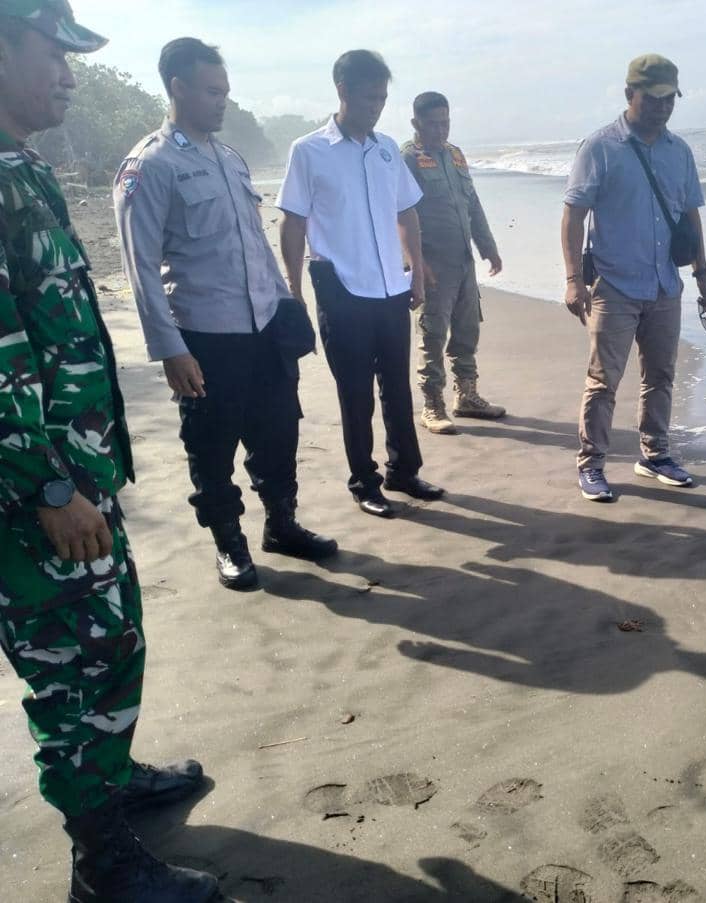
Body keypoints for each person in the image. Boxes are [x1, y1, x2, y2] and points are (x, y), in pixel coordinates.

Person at [0, 3, 218, 900]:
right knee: (73, 657)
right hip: (37, 492)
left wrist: (81, 471)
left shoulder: (22, 168)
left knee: (111, 634)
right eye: (55, 52)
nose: (71, 73)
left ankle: (111, 775)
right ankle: (102, 861)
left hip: (74, 473)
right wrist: (47, 483)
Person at [115, 38, 337, 590]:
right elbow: (139, 266)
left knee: (279, 432)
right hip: (205, 337)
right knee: (211, 447)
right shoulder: (150, 165)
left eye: (226, 91)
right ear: (178, 88)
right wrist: (170, 349)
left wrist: (287, 302)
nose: (222, 102)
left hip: (263, 330)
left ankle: (281, 526)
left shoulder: (228, 158)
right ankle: (230, 546)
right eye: (213, 92)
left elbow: (254, 245)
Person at [278, 50, 443, 518]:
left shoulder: (387, 149)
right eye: (370, 97)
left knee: (397, 386)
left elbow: (405, 210)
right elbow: (293, 223)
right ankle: (364, 482)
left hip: (391, 285)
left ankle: (404, 471)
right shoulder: (309, 151)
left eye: (383, 98)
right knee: (355, 392)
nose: (377, 106)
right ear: (343, 91)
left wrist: (416, 268)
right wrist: (294, 291)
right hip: (341, 288)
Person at [561, 54, 706, 502]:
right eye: (654, 98)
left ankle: (655, 455)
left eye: (671, 99)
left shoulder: (679, 151)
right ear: (630, 94)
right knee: (603, 380)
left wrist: (703, 274)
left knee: (662, 376)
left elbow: (690, 218)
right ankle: (590, 464)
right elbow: (573, 215)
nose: (663, 107)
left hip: (665, 286)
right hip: (614, 285)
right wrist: (573, 279)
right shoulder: (600, 147)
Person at [401, 91, 505, 434]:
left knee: (467, 328)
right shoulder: (408, 160)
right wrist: (414, 262)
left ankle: (467, 396)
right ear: (416, 123)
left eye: (445, 122)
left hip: (463, 260)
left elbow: (472, 204)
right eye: (433, 124)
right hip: (432, 264)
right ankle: (433, 405)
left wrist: (488, 246)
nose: (440, 130)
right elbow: (397, 214)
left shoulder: (455, 155)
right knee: (432, 333)